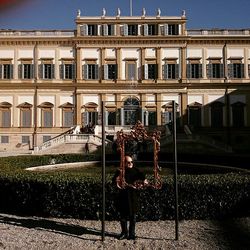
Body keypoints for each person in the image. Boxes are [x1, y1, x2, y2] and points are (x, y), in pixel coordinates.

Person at [113, 155, 148, 240]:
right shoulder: (120, 171)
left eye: (132, 162)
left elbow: (143, 177)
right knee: (123, 217)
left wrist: (144, 181)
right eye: (128, 162)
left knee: (133, 216)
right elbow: (114, 181)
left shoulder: (136, 170)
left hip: (133, 196)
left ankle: (132, 234)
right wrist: (117, 179)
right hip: (123, 196)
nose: (131, 163)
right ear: (124, 163)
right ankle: (124, 233)